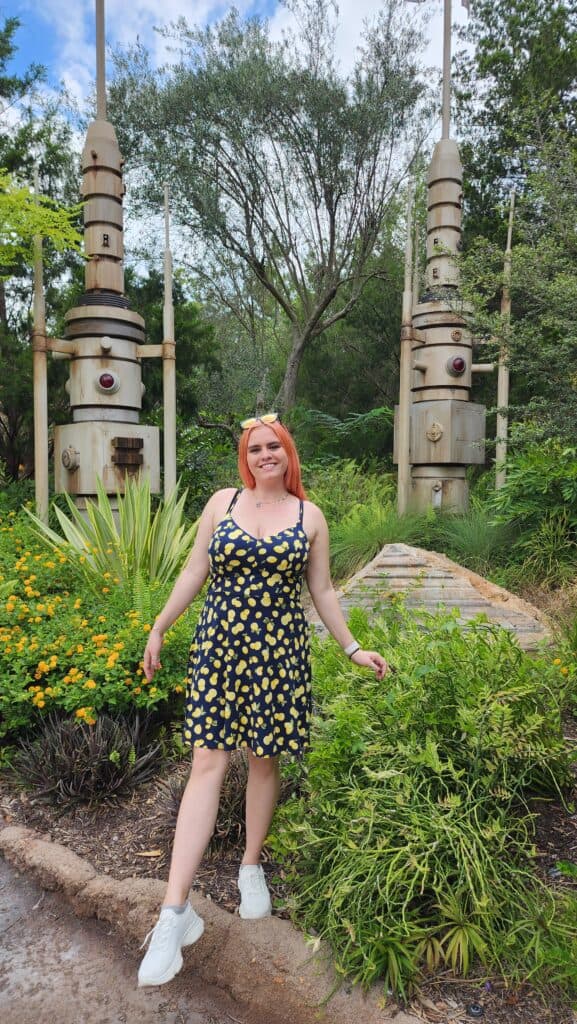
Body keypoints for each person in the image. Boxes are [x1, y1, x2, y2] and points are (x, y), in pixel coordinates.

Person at [137, 413, 390, 987]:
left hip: (279, 655)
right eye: (254, 449)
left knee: (263, 760)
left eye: (273, 447)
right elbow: (195, 568)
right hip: (218, 648)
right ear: (244, 457)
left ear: (288, 452)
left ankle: (251, 865)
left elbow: (321, 589)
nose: (264, 456)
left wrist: (351, 648)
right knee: (207, 762)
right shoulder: (222, 502)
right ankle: (174, 914)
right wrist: (159, 627)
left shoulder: (310, 517)